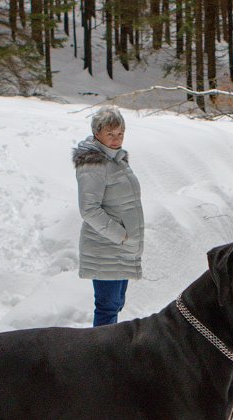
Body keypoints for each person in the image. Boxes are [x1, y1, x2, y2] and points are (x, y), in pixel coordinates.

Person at [72, 105, 144, 326]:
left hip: (120, 247)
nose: (116, 139)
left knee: (115, 305)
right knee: (107, 308)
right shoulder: (94, 164)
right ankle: (102, 356)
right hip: (106, 247)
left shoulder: (116, 159)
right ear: (97, 134)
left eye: (120, 133)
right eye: (110, 134)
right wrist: (121, 236)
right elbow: (89, 209)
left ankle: (107, 352)